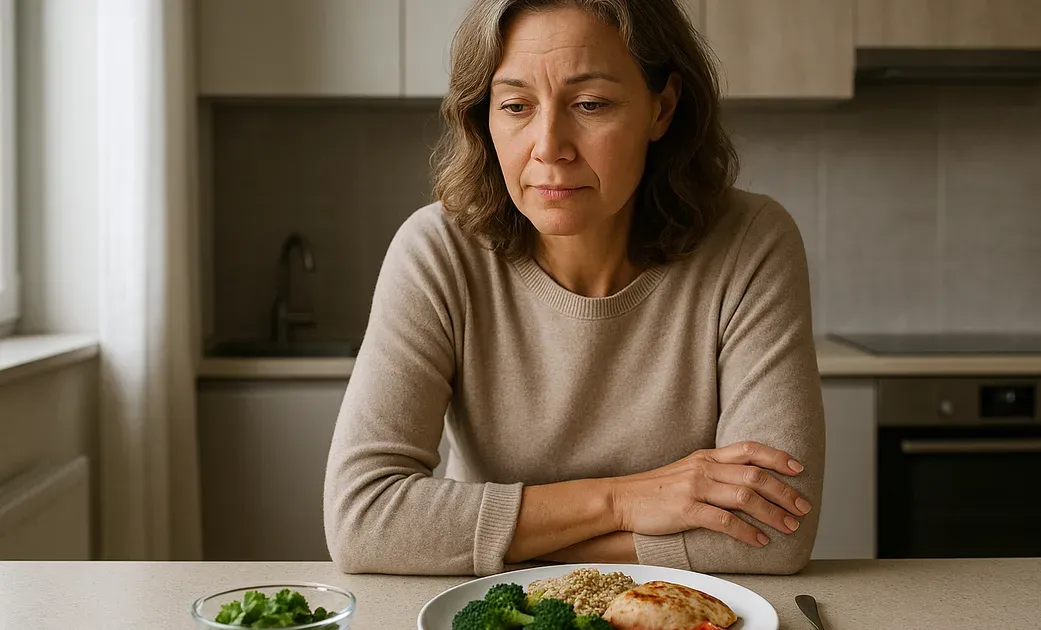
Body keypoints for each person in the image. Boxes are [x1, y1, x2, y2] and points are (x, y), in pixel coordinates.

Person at [323, 0, 825, 577]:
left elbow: (772, 534)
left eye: (591, 104)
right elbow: (364, 521)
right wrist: (623, 500)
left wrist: (490, 538)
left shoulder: (750, 244)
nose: (549, 146)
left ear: (661, 109)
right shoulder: (437, 250)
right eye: (515, 106)